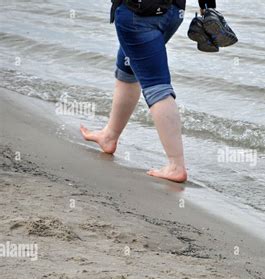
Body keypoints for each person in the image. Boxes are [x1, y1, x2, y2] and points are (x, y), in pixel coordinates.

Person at [80, 0, 220, 183]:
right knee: (128, 68)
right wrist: (207, 5)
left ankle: (176, 166)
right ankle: (109, 136)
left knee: (156, 86)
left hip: (137, 13)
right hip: (173, 12)